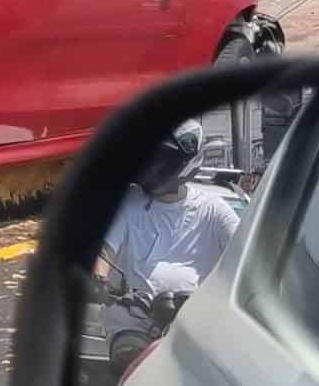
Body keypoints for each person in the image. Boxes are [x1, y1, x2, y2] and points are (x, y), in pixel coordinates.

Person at [96, 120, 241, 295]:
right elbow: (104, 252)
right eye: (149, 156)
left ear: (185, 163)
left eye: (161, 159)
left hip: (190, 318)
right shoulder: (129, 201)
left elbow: (247, 255)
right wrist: (98, 281)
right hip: (127, 317)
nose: (152, 166)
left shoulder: (214, 210)